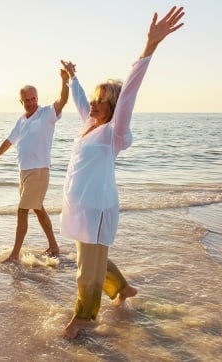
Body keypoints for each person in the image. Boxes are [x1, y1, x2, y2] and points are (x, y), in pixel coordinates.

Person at [59, 6, 185, 339]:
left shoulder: (113, 131)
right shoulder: (89, 125)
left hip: (97, 207)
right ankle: (122, 289)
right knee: (91, 256)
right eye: (95, 100)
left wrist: (149, 46)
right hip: (81, 207)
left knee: (87, 267)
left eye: (102, 101)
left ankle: (84, 317)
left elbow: (129, 92)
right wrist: (72, 77)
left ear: (113, 106)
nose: (94, 105)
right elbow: (81, 101)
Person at [0, 67, 69, 263]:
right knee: (38, 209)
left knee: (22, 210)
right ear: (21, 101)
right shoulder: (21, 120)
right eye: (27, 100)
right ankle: (54, 246)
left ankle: (15, 254)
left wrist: (64, 81)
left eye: (33, 99)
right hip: (24, 172)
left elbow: (62, 100)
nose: (31, 103)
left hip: (39, 170)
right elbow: (10, 140)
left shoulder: (47, 113)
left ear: (37, 98)